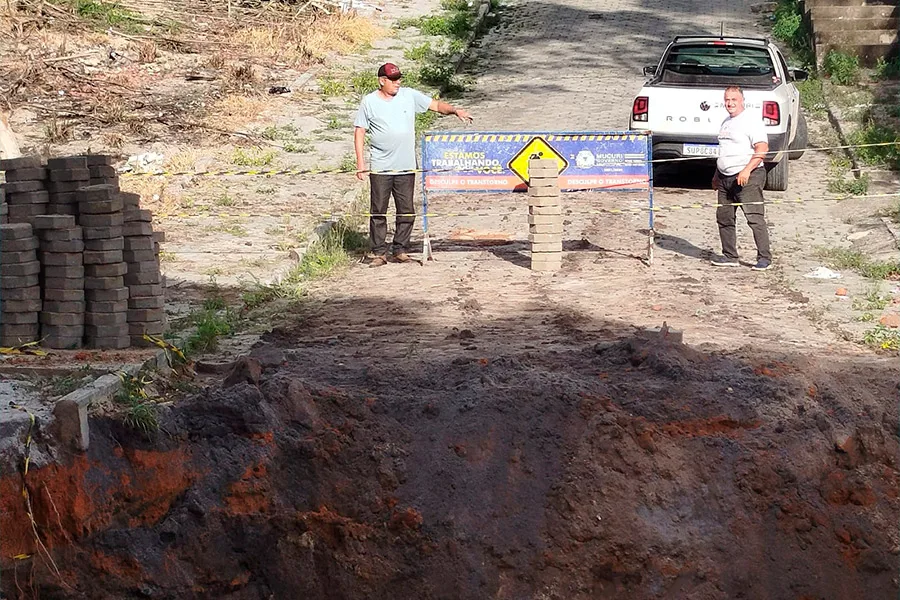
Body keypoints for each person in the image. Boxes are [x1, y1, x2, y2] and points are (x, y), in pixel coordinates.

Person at [354, 62, 473, 267]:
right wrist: (360, 162)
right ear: (382, 81)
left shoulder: (409, 95)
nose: (397, 83)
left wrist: (455, 111)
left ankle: (400, 249)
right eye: (393, 79)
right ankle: (379, 252)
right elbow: (359, 131)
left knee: (407, 210)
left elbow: (436, 106)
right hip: (381, 166)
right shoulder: (369, 102)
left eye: (399, 78)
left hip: (406, 166)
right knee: (379, 210)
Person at [711, 86, 773, 271]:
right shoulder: (726, 122)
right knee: (724, 217)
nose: (730, 103)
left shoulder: (750, 121)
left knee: (754, 217)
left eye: (734, 100)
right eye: (727, 100)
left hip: (748, 177)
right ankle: (730, 256)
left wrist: (746, 170)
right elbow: (724, 151)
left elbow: (762, 148)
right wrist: (716, 175)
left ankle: (764, 258)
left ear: (742, 101)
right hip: (725, 178)